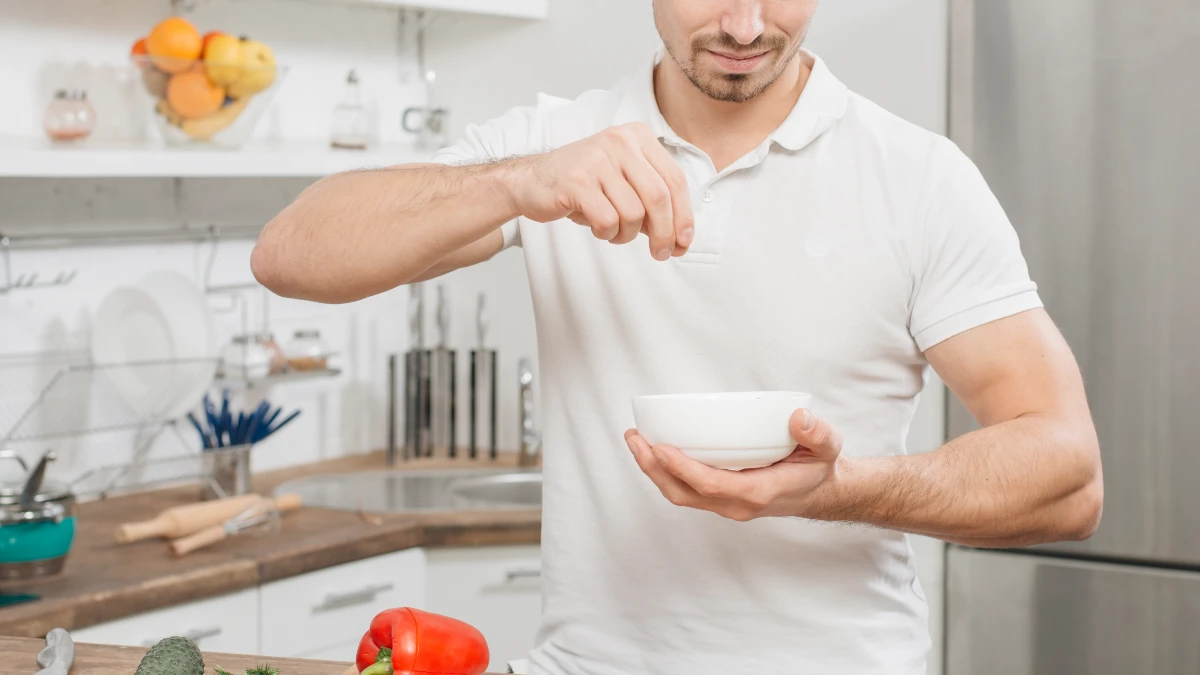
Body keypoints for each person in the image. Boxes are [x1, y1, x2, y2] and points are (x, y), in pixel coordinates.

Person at [251, 1, 1103, 672]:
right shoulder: (557, 148)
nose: (743, 24)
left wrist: (836, 488)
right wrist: (520, 181)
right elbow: (288, 254)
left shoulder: (919, 179)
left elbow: (1068, 475)